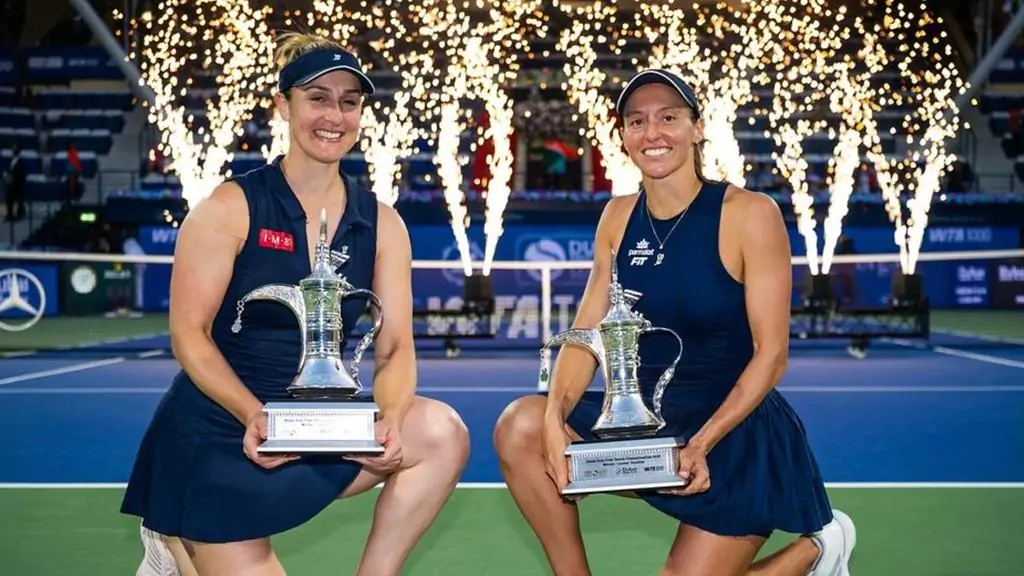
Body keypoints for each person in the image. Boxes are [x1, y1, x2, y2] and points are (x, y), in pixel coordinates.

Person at [120, 32, 470, 576]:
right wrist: (252, 414)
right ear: (283, 106)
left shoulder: (383, 223)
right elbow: (190, 334)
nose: (334, 116)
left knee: (441, 432)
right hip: (222, 430)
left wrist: (392, 418)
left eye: (348, 102)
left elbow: (396, 347)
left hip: (315, 423)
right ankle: (174, 538)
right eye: (317, 98)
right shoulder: (229, 207)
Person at [493, 69, 856, 576]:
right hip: (653, 422)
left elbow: (771, 355)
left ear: (697, 128)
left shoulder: (750, 213)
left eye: (668, 118)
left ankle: (818, 550)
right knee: (522, 425)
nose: (653, 133)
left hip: (732, 431)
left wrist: (703, 443)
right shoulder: (617, 217)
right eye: (637, 121)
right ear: (623, 136)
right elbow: (586, 334)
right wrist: (555, 418)